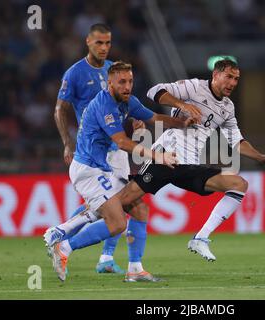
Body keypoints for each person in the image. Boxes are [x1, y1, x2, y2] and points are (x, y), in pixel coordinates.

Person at [50, 59, 265, 268]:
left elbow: (236, 141)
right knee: (120, 206)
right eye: (229, 76)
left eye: (236, 78)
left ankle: (200, 238)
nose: (233, 82)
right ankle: (65, 233)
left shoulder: (227, 108)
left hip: (189, 164)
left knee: (238, 184)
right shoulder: (194, 87)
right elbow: (155, 91)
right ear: (216, 75)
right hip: (166, 155)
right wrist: (182, 105)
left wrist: (260, 157)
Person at [49, 61, 196, 282]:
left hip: (102, 168)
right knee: (117, 222)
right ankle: (64, 246)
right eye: (122, 82)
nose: (127, 86)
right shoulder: (103, 104)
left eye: (130, 81)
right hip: (87, 169)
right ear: (109, 83)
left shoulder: (129, 101)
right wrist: (158, 156)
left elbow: (154, 118)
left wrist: (182, 123)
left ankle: (135, 269)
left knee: (138, 209)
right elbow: (121, 142)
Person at [46, 23, 149, 274]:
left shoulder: (114, 71)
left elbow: (121, 107)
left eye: (108, 43)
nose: (104, 48)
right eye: (99, 43)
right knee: (121, 204)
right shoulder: (75, 73)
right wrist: (67, 142)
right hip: (93, 149)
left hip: (117, 146)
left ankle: (102, 255)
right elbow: (60, 108)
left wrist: (135, 119)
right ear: (88, 43)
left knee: (121, 202)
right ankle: (64, 236)